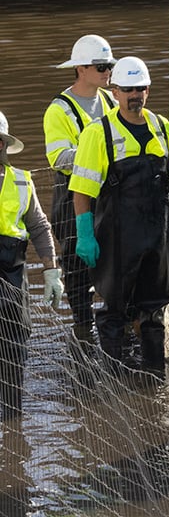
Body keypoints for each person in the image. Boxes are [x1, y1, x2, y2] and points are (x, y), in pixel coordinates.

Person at [46, 34, 169, 338]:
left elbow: (128, 128)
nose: (107, 73)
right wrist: (98, 153)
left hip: (111, 194)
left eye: (110, 68)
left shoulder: (109, 98)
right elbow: (58, 157)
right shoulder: (59, 110)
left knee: (117, 267)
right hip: (72, 195)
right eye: (102, 67)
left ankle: (125, 326)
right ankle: (83, 333)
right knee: (78, 270)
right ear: (81, 69)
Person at [69, 56, 169, 373]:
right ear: (115, 91)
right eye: (127, 89)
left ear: (148, 90)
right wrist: (85, 234)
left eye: (139, 88)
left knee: (153, 310)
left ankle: (153, 377)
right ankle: (114, 377)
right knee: (114, 310)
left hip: (157, 235)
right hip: (117, 239)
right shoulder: (99, 133)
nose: (134, 95)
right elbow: (81, 190)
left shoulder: (164, 127)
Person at [0, 112, 63, 418]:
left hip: (11, 275)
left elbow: (39, 227)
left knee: (14, 346)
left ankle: (12, 422)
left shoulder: (22, 182)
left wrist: (51, 270)